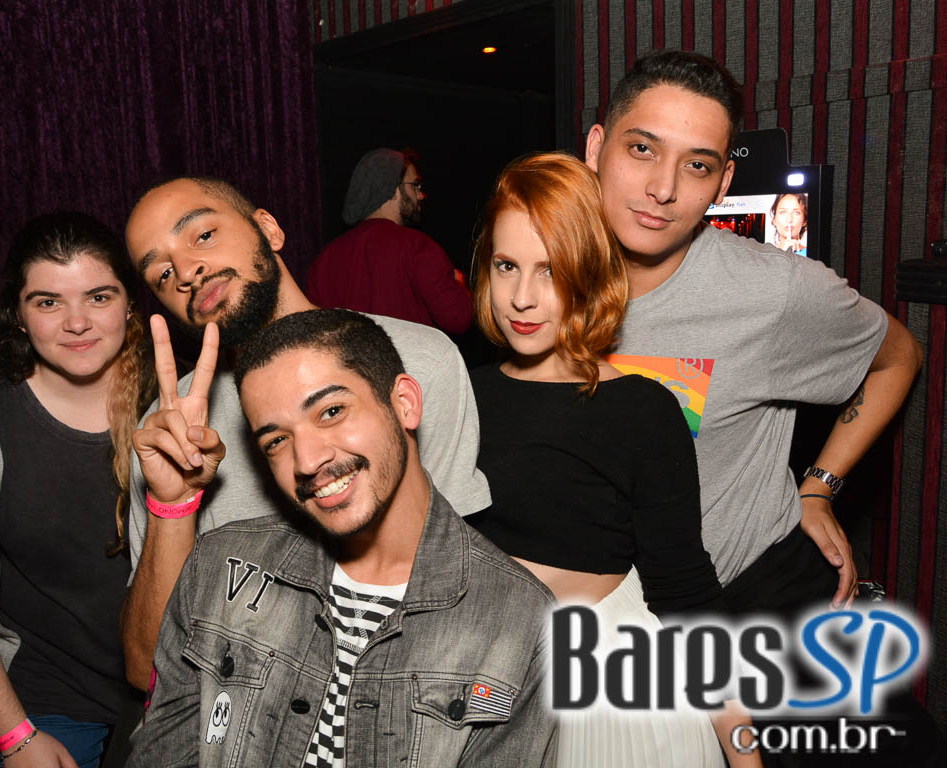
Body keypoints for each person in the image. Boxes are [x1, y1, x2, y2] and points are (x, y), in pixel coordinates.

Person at [127, 309, 555, 768]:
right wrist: (172, 503)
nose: (307, 460)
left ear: (405, 403)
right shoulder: (220, 564)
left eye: (331, 412)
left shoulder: (522, 621)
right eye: (276, 441)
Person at [584, 49, 923, 615]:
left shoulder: (773, 291)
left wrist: (819, 487)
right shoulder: (540, 276)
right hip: (596, 610)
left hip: (733, 605)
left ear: (723, 182)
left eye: (697, 165)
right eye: (642, 149)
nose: (662, 188)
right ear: (596, 148)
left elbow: (899, 355)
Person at [120, 177, 490, 692]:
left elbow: (463, 597)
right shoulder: (170, 429)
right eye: (161, 273)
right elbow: (147, 671)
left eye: (202, 235)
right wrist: (175, 503)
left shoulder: (419, 363)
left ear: (268, 229)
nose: (185, 272)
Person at [467, 152, 757, 768]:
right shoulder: (461, 394)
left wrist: (745, 755)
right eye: (507, 265)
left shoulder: (640, 409)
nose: (522, 297)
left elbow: (686, 593)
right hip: (480, 680)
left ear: (589, 274)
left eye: (551, 270)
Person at [0, 212, 154, 767]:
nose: (77, 323)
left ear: (129, 304)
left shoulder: (178, 402)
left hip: (173, 692)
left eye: (98, 297)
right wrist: (15, 736)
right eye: (48, 302)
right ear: (18, 315)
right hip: (42, 703)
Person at [307, 148, 472, 335]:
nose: (421, 195)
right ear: (393, 190)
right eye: (415, 185)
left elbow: (315, 333)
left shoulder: (325, 259)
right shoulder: (416, 246)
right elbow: (458, 319)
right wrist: (459, 285)